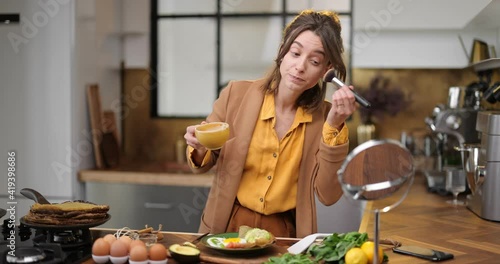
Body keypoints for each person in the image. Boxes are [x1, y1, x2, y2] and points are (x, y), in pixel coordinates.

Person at [184, 9, 358, 238]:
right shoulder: (235, 94)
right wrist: (199, 146)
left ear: (326, 70)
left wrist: (334, 126)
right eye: (295, 53)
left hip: (284, 235)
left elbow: (328, 194)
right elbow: (204, 160)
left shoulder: (327, 120)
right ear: (283, 52)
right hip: (228, 227)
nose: (300, 66)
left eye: (314, 60)